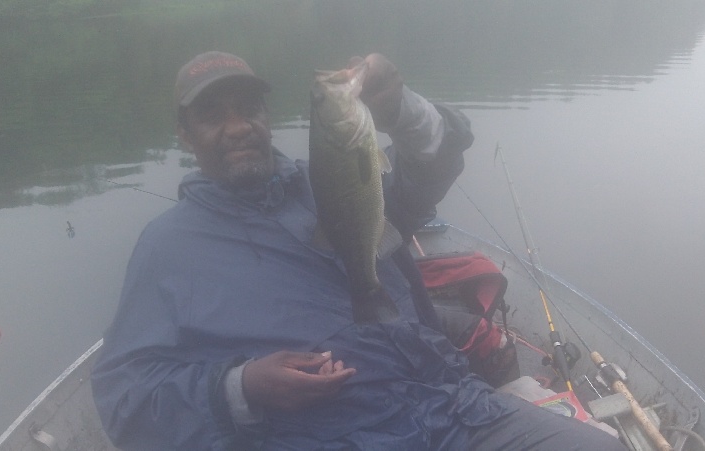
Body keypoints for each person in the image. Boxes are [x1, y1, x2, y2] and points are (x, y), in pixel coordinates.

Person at [91, 51, 626, 451]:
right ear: (185, 135)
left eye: (248, 108)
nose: (237, 127)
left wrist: (400, 110)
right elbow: (124, 396)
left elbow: (430, 165)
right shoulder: (168, 247)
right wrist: (244, 385)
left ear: (267, 115)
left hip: (447, 408)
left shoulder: (327, 178)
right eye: (213, 115)